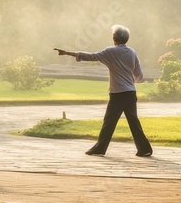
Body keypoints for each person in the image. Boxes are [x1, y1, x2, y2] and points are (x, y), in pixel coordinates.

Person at [54, 25, 153, 157]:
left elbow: (90, 56)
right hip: (130, 92)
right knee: (134, 121)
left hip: (117, 93)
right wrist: (129, 80)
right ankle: (144, 149)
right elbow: (139, 75)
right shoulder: (132, 52)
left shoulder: (110, 52)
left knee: (109, 122)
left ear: (115, 37)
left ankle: (100, 148)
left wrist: (67, 53)